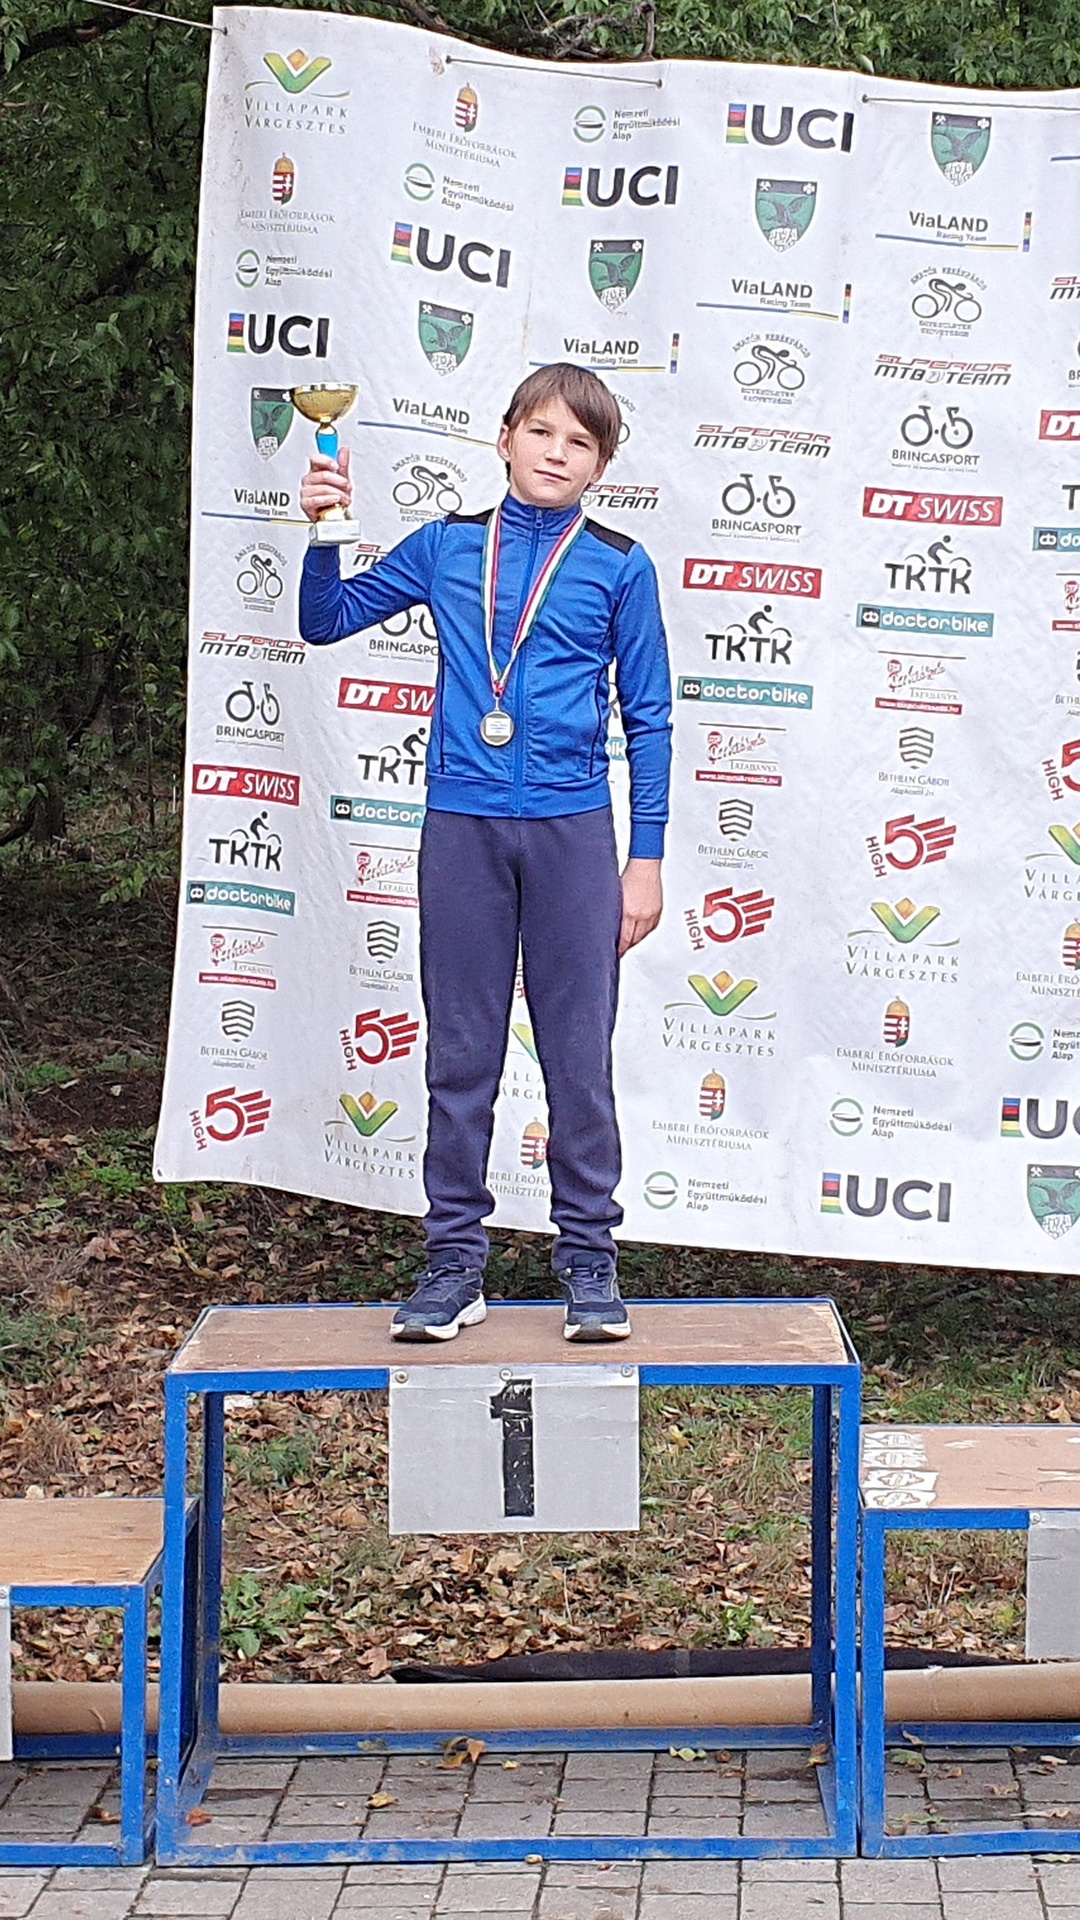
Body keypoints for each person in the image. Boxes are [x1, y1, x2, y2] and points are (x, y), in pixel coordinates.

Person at [299, 364, 672, 1343]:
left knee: (578, 1056)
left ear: (600, 467)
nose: (557, 453)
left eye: (580, 443)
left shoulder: (619, 565)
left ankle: (588, 1260)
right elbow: (324, 621)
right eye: (541, 432)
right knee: (461, 1055)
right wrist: (326, 530)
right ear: (504, 439)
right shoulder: (446, 547)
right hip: (462, 828)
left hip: (572, 835)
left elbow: (652, 718)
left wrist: (646, 860)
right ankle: (454, 1263)